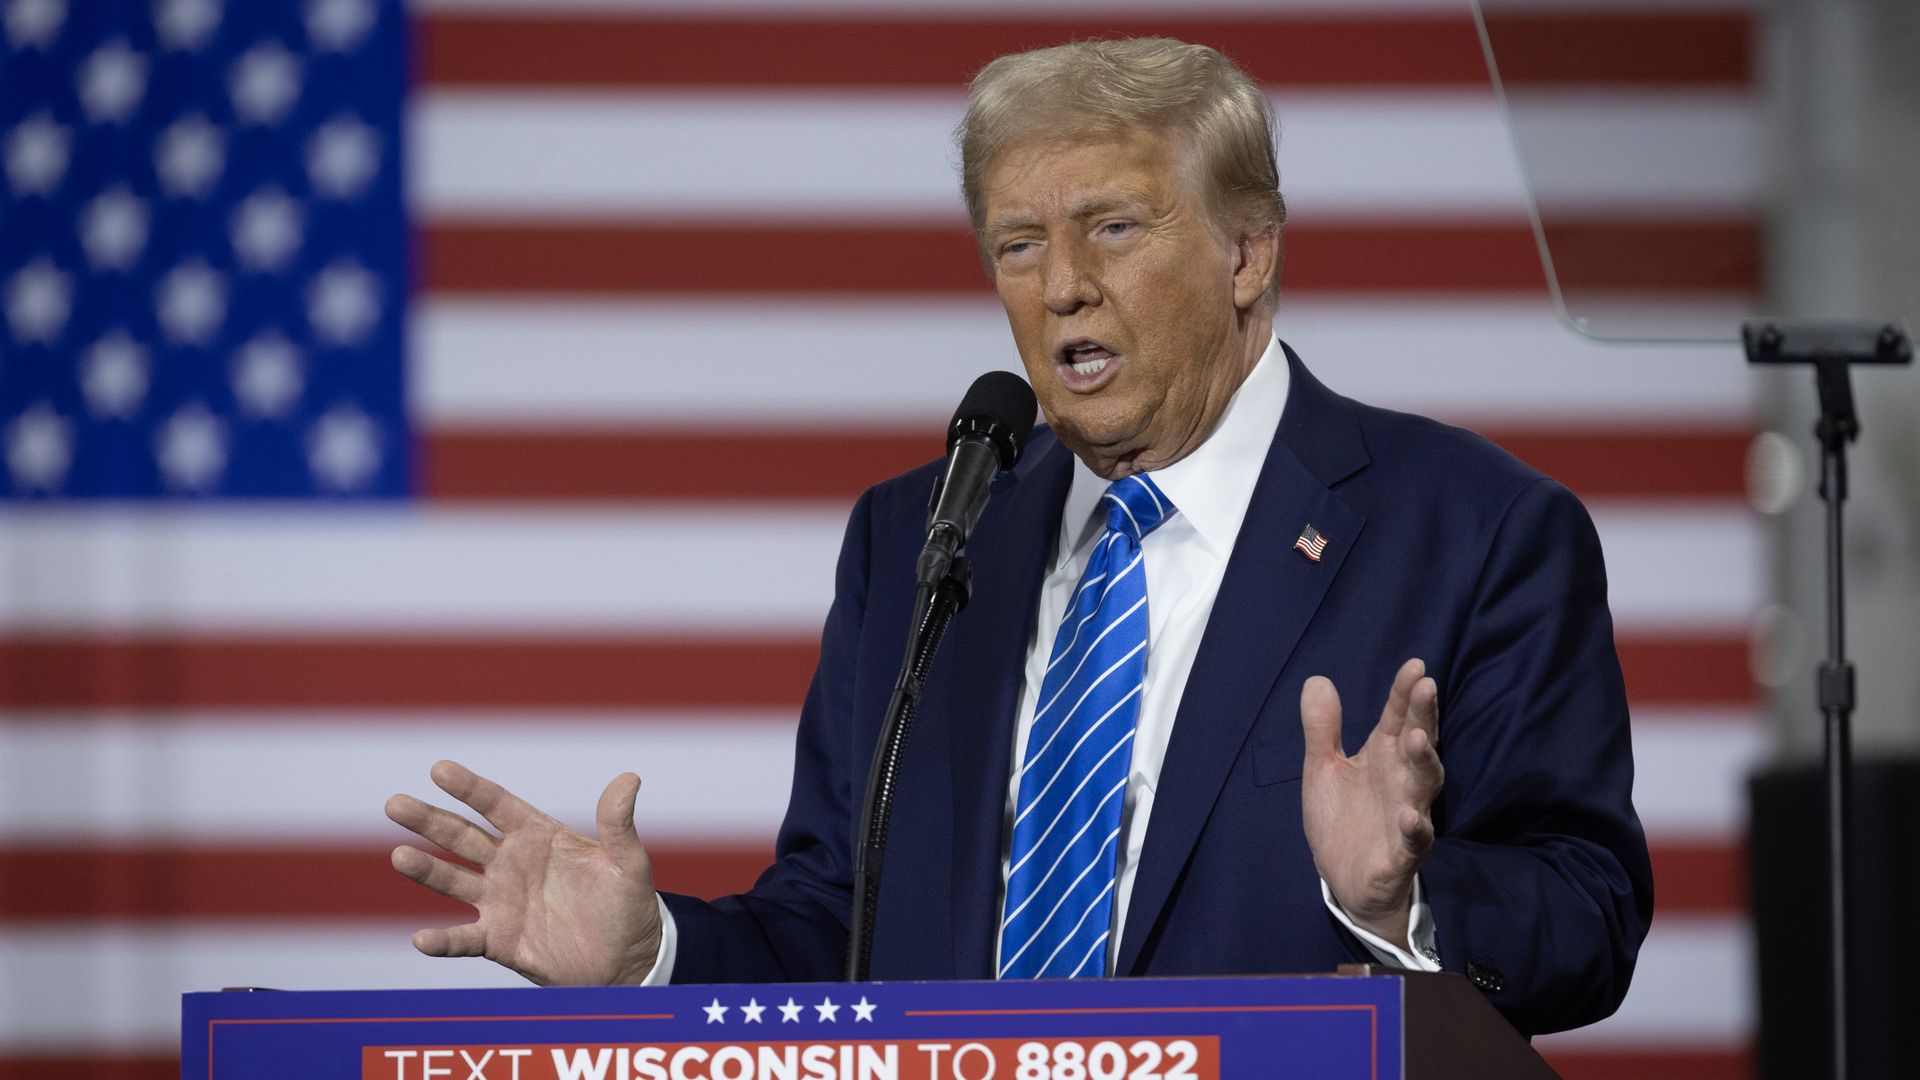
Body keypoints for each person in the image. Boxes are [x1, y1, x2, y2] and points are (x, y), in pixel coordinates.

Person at [386, 38, 1652, 1036]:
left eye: (1114, 226)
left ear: (1248, 253)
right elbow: (844, 925)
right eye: (1019, 243)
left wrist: (1400, 902)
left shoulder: (1476, 529)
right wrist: (654, 956)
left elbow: (1589, 917)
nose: (1061, 288)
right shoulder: (922, 540)